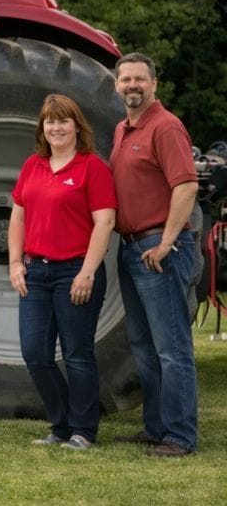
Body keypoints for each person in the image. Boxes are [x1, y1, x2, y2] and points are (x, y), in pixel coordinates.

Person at [8, 94, 116, 450]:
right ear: (42, 128)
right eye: (49, 121)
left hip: (76, 271)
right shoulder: (32, 166)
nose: (56, 127)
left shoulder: (92, 167)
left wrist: (87, 272)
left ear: (76, 126)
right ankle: (61, 426)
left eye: (63, 120)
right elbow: (18, 216)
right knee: (35, 354)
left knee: (77, 353)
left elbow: (105, 222)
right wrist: (14, 263)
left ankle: (83, 431)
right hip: (36, 272)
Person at [109, 52, 199, 457]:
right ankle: (157, 427)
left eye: (139, 79)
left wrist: (165, 242)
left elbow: (186, 186)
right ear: (116, 85)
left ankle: (180, 436)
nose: (132, 85)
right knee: (144, 347)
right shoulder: (122, 130)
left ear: (154, 84)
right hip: (132, 250)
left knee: (172, 348)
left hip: (159, 250)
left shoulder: (165, 127)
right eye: (126, 79)